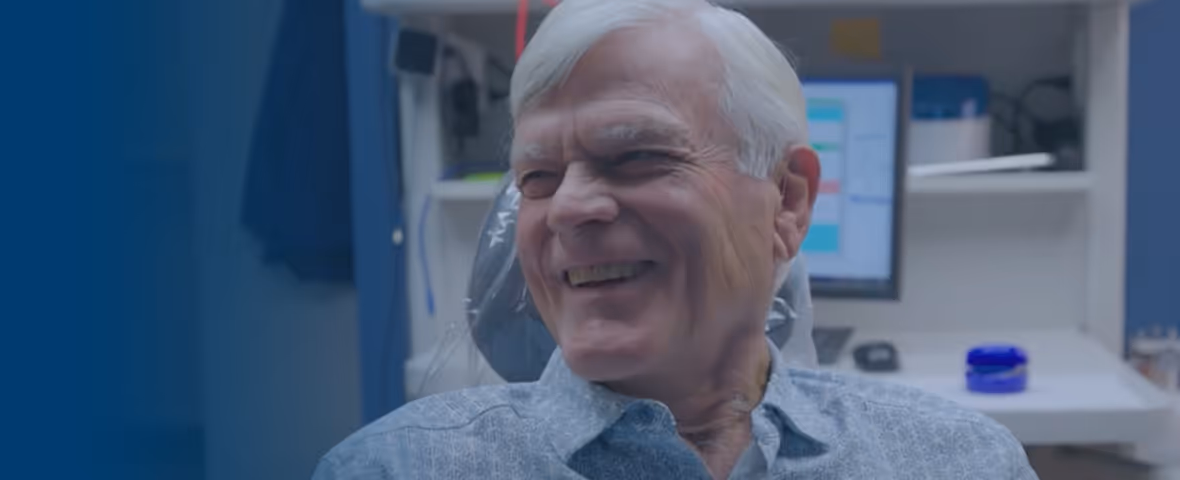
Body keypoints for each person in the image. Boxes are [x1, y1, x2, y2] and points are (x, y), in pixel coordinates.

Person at [316, 0, 1038, 478]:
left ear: (787, 202)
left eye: (636, 156)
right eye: (537, 176)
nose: (568, 208)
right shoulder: (398, 468)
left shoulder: (958, 464)